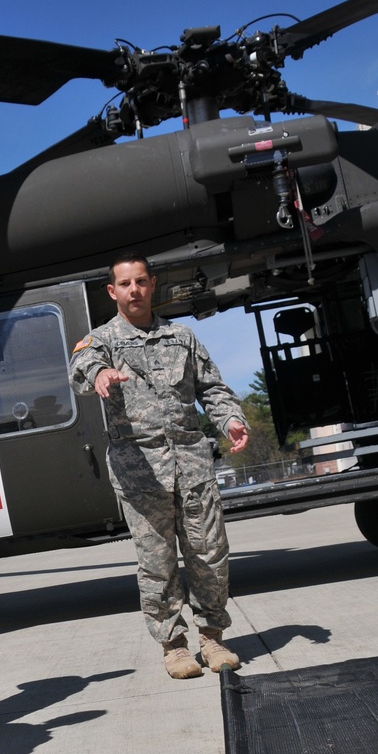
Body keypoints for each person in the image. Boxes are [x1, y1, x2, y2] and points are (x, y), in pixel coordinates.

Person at [69, 256, 249, 680]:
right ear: (112, 292)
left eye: (141, 282)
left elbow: (213, 387)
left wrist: (230, 420)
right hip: (140, 472)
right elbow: (81, 367)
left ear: (153, 285)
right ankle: (174, 646)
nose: (134, 290)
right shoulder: (102, 340)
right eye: (125, 284)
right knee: (157, 562)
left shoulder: (182, 337)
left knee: (209, 553)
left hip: (192, 464)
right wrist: (100, 375)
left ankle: (212, 637)